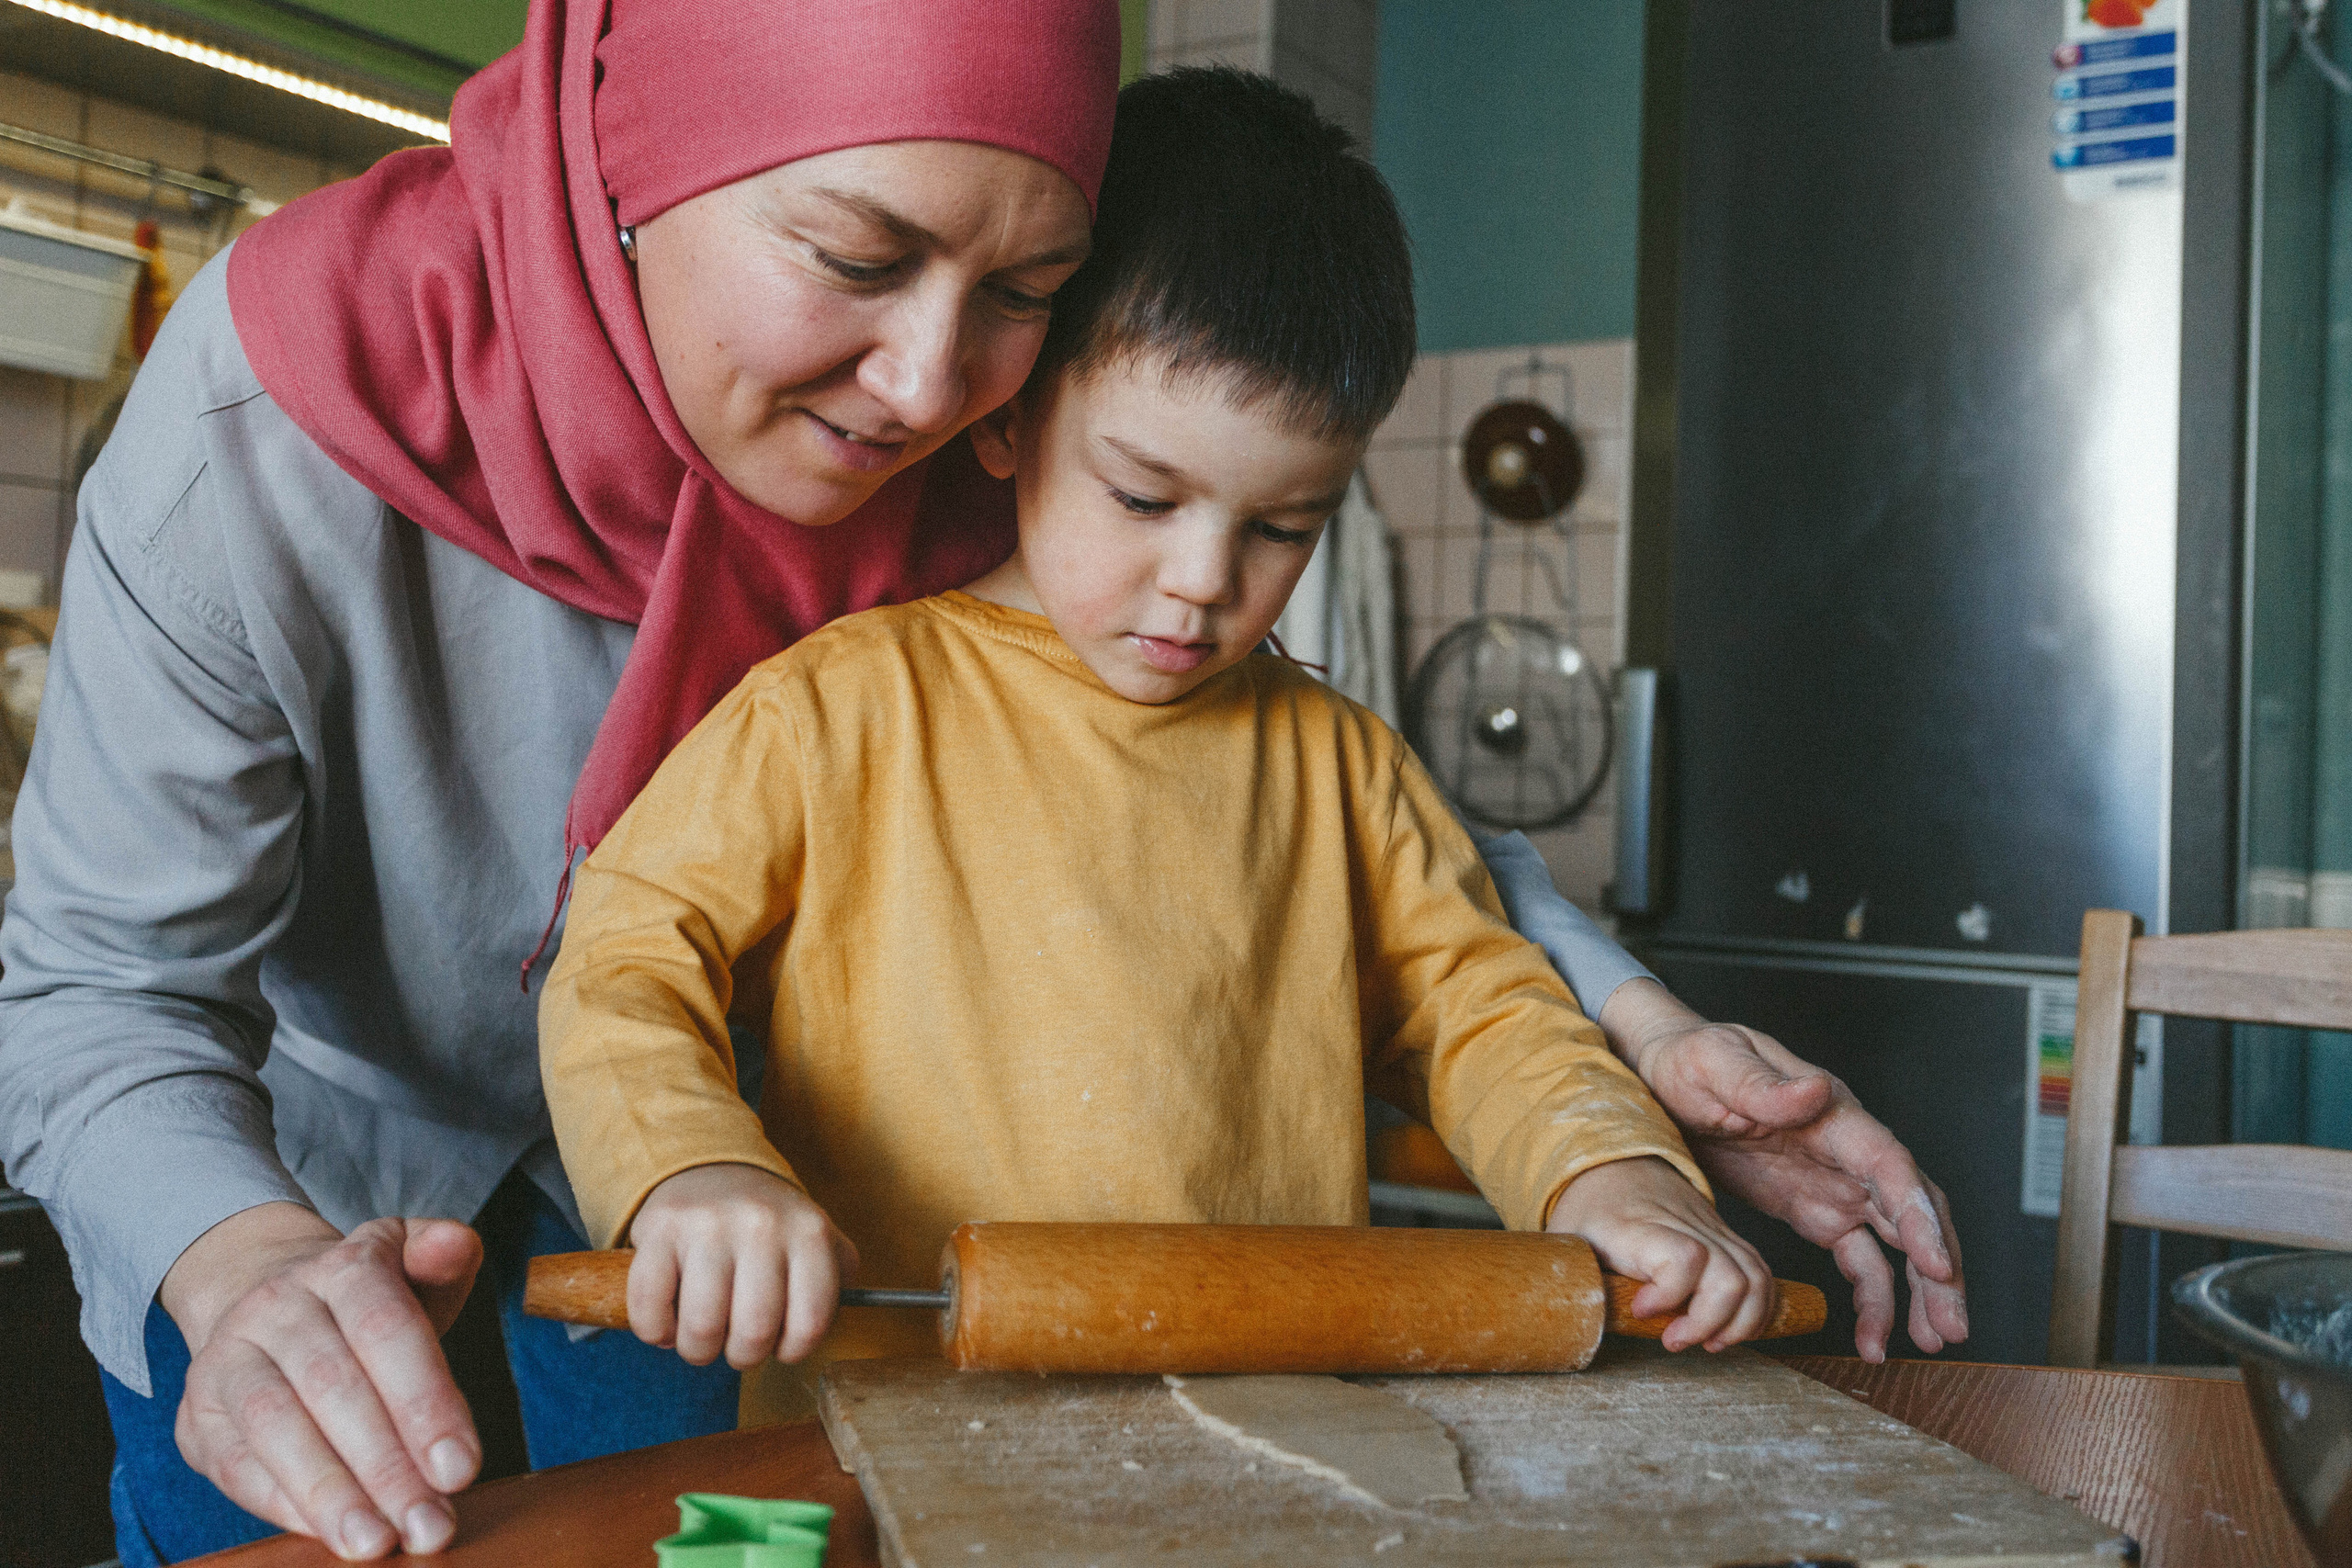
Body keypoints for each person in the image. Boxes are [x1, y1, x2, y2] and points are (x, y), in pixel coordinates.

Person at [0, 0, 1963, 1562]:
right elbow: (99, 989)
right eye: (856, 256)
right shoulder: (263, 429)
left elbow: (1365, 841)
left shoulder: (1023, 458)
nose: (933, 387)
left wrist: (1638, 1063)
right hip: (311, 1176)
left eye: (1028, 288)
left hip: (743, 1227)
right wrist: (240, 1265)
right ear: (636, 162)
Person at [539, 68, 1781, 1380]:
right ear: (1008, 421)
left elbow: (1482, 1008)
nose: (1203, 580)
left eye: (1281, 527)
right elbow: (624, 963)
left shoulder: (1341, 767)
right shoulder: (835, 713)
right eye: (1143, 498)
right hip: (894, 1428)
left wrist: (1610, 1170)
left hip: (1275, 1432)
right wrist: (693, 1168)